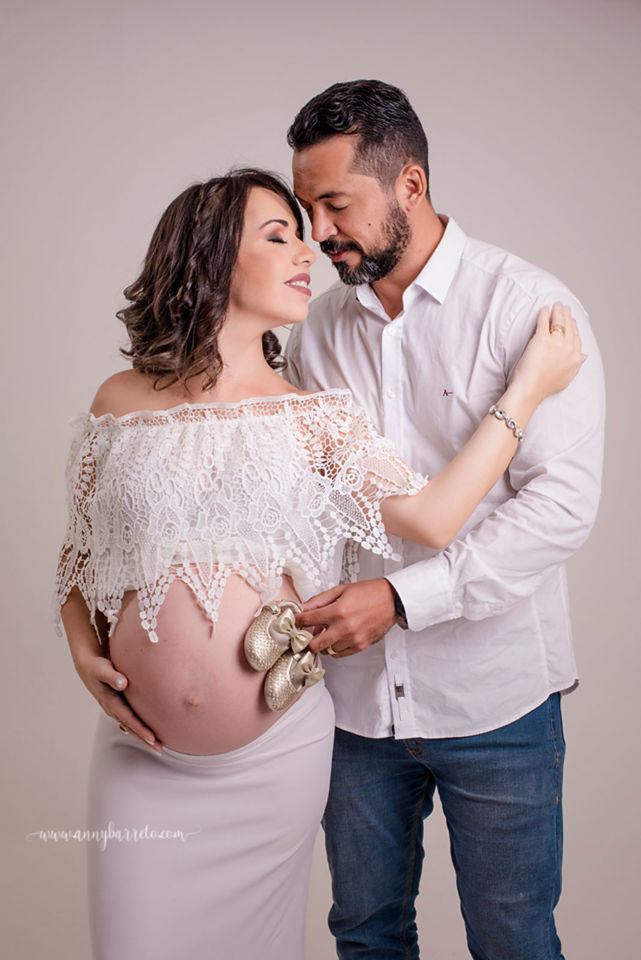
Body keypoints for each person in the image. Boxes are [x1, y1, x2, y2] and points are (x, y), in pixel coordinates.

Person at [55, 165, 582, 960]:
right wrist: (79, 649)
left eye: (303, 237)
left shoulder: (315, 417)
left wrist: (527, 391)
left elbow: (434, 518)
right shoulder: (118, 401)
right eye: (279, 237)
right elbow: (77, 553)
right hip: (142, 762)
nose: (308, 252)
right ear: (207, 256)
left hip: (273, 763)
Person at [284, 80, 605, 960]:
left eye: (335, 203)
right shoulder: (317, 331)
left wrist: (400, 601)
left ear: (410, 185)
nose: (318, 231)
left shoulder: (529, 310)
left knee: (511, 939)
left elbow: (558, 509)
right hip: (355, 708)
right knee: (364, 935)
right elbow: (313, 505)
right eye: (306, 209)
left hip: (496, 699)